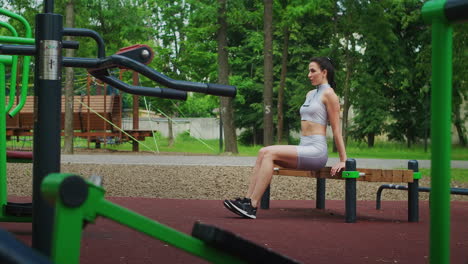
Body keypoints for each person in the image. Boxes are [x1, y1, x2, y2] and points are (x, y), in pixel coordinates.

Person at [224, 57, 347, 219]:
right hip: (305, 147)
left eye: (312, 71)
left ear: (324, 72)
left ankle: (252, 205)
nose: (309, 75)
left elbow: (337, 131)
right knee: (263, 153)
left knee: (268, 153)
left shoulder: (330, 95)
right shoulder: (310, 93)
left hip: (316, 151)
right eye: (309, 71)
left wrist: (343, 159)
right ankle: (247, 201)